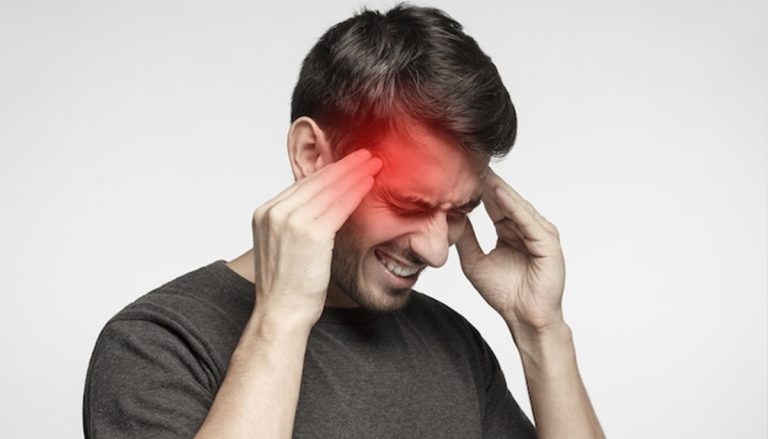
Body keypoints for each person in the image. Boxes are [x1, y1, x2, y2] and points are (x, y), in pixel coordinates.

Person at [83, 4, 605, 438]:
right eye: (408, 203)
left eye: (458, 213)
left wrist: (541, 331)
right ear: (313, 155)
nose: (436, 252)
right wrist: (281, 319)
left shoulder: (454, 345)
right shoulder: (157, 343)